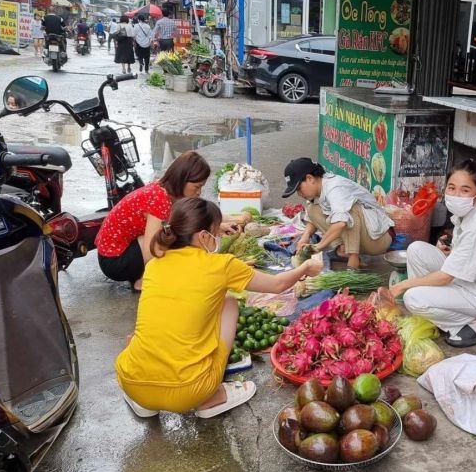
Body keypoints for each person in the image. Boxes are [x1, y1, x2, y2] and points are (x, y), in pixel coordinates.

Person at [115, 197, 324, 418]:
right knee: (229, 302)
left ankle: (148, 402)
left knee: (141, 335)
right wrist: (305, 268)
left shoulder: (154, 265)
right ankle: (212, 397)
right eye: (215, 233)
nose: (218, 238)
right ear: (204, 236)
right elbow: (277, 284)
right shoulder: (221, 265)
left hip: (131, 383)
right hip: (190, 392)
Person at [387, 160, 476, 348]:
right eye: (452, 188)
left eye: (465, 190)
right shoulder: (466, 215)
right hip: (468, 279)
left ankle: (471, 323)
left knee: (411, 298)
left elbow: (446, 277)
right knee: (416, 250)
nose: (456, 195)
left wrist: (404, 285)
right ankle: (432, 312)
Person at [95, 151, 222, 291]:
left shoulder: (164, 189)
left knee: (172, 235)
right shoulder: (159, 200)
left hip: (115, 251)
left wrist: (220, 223)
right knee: (167, 240)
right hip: (114, 262)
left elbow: (194, 215)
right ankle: (143, 280)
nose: (199, 192)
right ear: (181, 179)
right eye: (197, 187)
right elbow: (151, 251)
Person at [283, 158, 393, 270]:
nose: (299, 194)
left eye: (299, 189)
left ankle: (353, 262)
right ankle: (344, 250)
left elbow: (341, 223)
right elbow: (312, 218)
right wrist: (305, 236)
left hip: (379, 239)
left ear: (310, 178)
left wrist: (318, 246)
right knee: (312, 209)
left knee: (347, 213)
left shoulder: (335, 188)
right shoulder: (319, 189)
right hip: (363, 236)